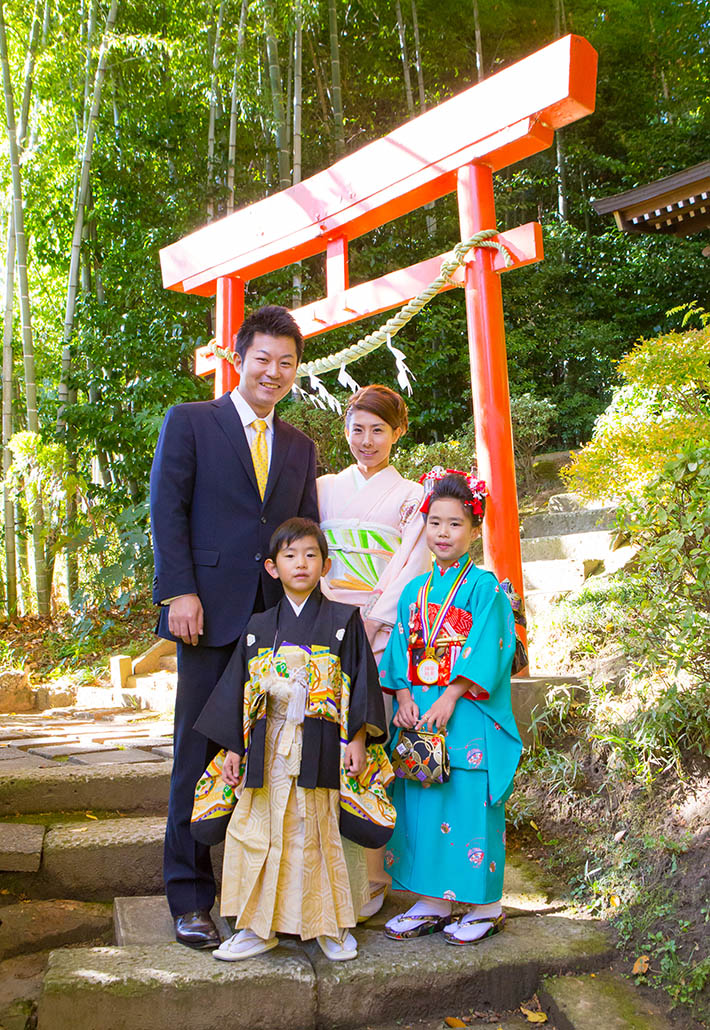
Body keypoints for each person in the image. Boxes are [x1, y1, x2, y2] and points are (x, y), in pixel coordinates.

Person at [150, 305, 319, 949]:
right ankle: (189, 896)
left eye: (286, 363)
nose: (273, 373)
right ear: (238, 359)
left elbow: (302, 537)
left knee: (273, 757)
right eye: (262, 360)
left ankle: (258, 892)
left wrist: (305, 618)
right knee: (197, 755)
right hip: (206, 617)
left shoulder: (300, 446)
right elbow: (169, 509)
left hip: (274, 624)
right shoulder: (192, 422)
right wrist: (179, 592)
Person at [193, 518, 387, 961]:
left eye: (311, 554)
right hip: (268, 747)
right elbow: (238, 691)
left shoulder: (344, 620)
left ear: (327, 564)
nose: (301, 563)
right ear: (271, 567)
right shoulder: (259, 627)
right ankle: (255, 927)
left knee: (319, 833)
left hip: (323, 744)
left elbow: (360, 683)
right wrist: (234, 749)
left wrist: (357, 739)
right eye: (289, 555)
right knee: (259, 834)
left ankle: (332, 926)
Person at [379, 470, 522, 945]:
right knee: (422, 801)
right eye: (435, 523)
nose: (442, 533)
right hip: (421, 713)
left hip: (465, 715)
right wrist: (401, 696)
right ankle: (434, 899)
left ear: (474, 529)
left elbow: (492, 647)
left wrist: (452, 693)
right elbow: (400, 649)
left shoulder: (484, 587)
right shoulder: (415, 590)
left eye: (455, 524)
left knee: (468, 803)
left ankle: (486, 904)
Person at [317, 384, 431, 917]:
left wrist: (372, 616)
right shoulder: (320, 489)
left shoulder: (412, 498)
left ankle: (373, 877)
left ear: (398, 432)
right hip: (323, 624)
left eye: (378, 430)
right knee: (321, 743)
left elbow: (410, 564)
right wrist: (324, 610)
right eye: (357, 429)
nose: (366, 441)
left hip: (379, 631)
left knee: (372, 745)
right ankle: (321, 869)